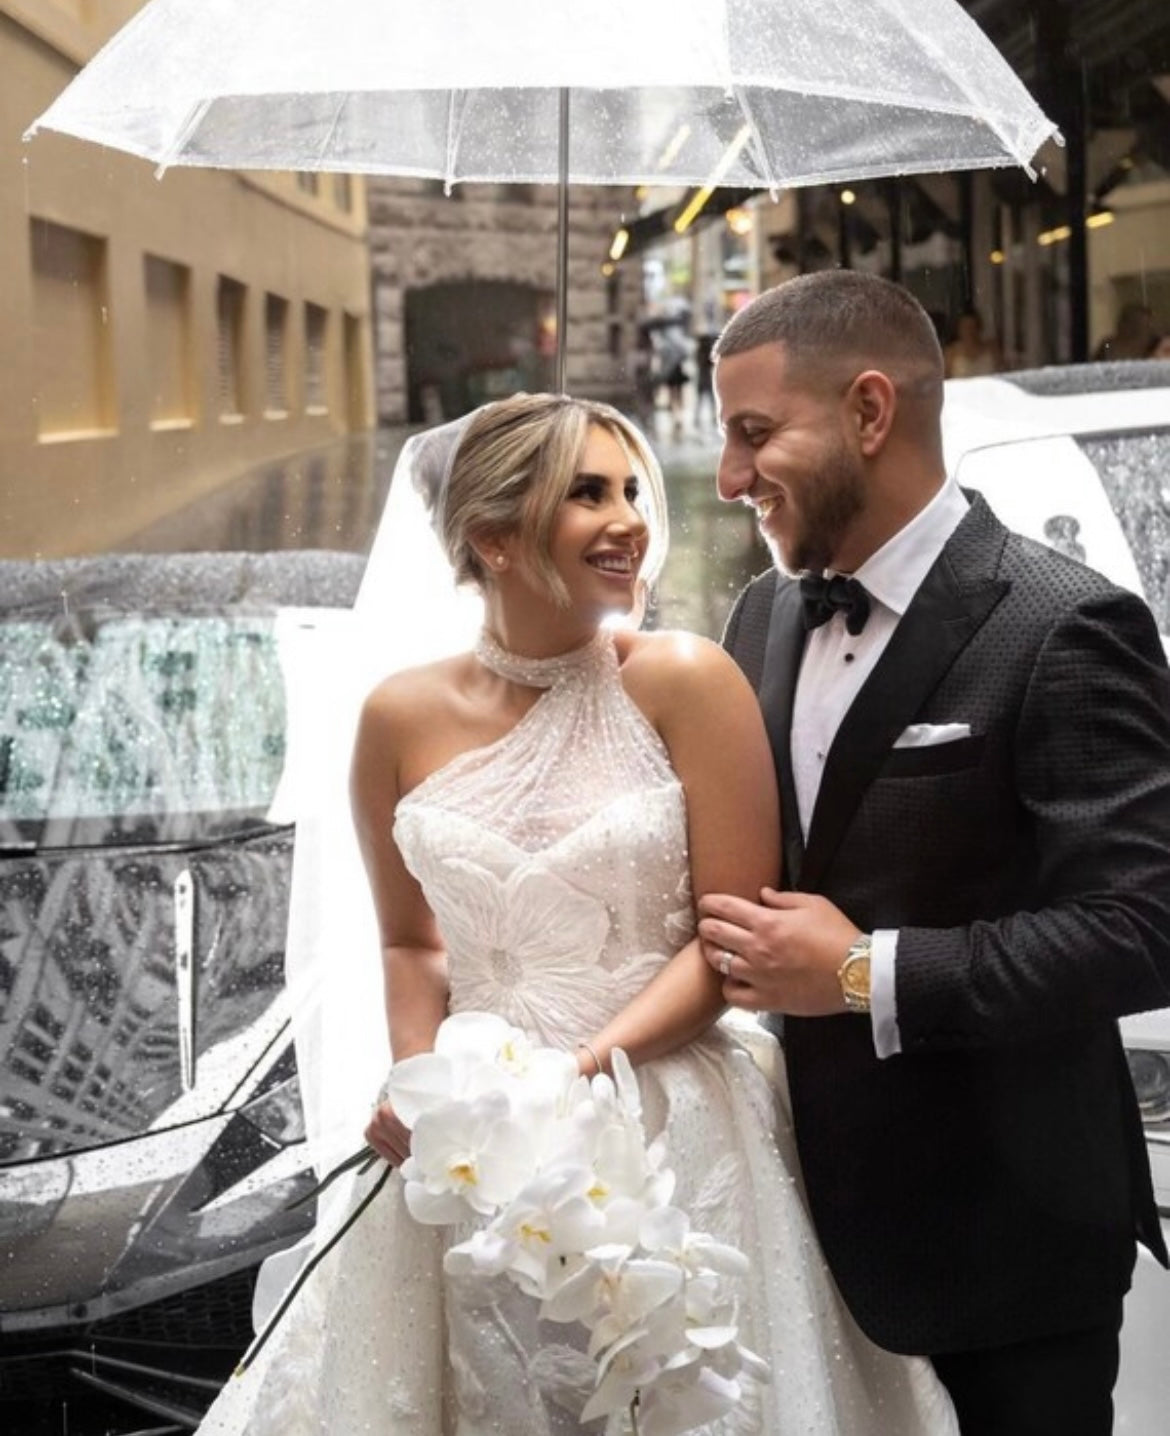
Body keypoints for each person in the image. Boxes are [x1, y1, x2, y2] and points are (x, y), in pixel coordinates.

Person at [194, 393, 956, 1434]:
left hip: (667, 1114)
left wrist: (589, 1067)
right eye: (588, 493)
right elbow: (412, 939)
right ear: (493, 537)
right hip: (475, 1144)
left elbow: (726, 934)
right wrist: (424, 1089)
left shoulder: (684, 681)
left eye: (632, 490)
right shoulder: (395, 718)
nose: (631, 519)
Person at [699, 270, 1170, 1435]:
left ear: (870, 411)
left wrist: (867, 970)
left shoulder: (1064, 624)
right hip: (795, 1239)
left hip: (1007, 1247)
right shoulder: (757, 616)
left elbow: (1146, 928)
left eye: (756, 434)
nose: (728, 478)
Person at [942, 308, 1001, 378]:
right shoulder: (951, 352)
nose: (969, 331)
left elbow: (1002, 375)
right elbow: (944, 380)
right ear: (959, 329)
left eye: (973, 327)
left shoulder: (992, 349)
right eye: (965, 327)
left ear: (979, 328)